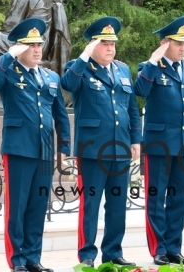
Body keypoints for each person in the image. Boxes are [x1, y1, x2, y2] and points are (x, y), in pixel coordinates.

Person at [0, 17, 71, 272]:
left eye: (38, 45)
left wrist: (63, 148)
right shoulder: (9, 74)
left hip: (44, 150)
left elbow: (60, 115)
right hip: (19, 149)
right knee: (17, 206)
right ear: (20, 48)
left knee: (37, 206)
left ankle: (33, 257)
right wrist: (10, 53)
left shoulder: (50, 77)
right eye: (29, 45)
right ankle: (17, 259)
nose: (36, 49)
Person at [60, 17, 141, 268]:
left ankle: (113, 252)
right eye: (104, 44)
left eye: (112, 44)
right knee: (91, 205)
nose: (110, 49)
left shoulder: (122, 69)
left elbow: (132, 108)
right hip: (92, 150)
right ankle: (87, 254)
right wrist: (84, 56)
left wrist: (136, 140)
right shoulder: (79, 67)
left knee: (117, 205)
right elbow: (67, 85)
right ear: (92, 45)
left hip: (119, 147)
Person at [133, 15, 184, 266]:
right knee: (156, 198)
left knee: (180, 198)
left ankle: (174, 247)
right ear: (165, 44)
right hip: (158, 144)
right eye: (177, 43)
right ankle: (159, 248)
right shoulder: (149, 66)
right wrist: (154, 60)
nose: (183, 47)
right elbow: (139, 92)